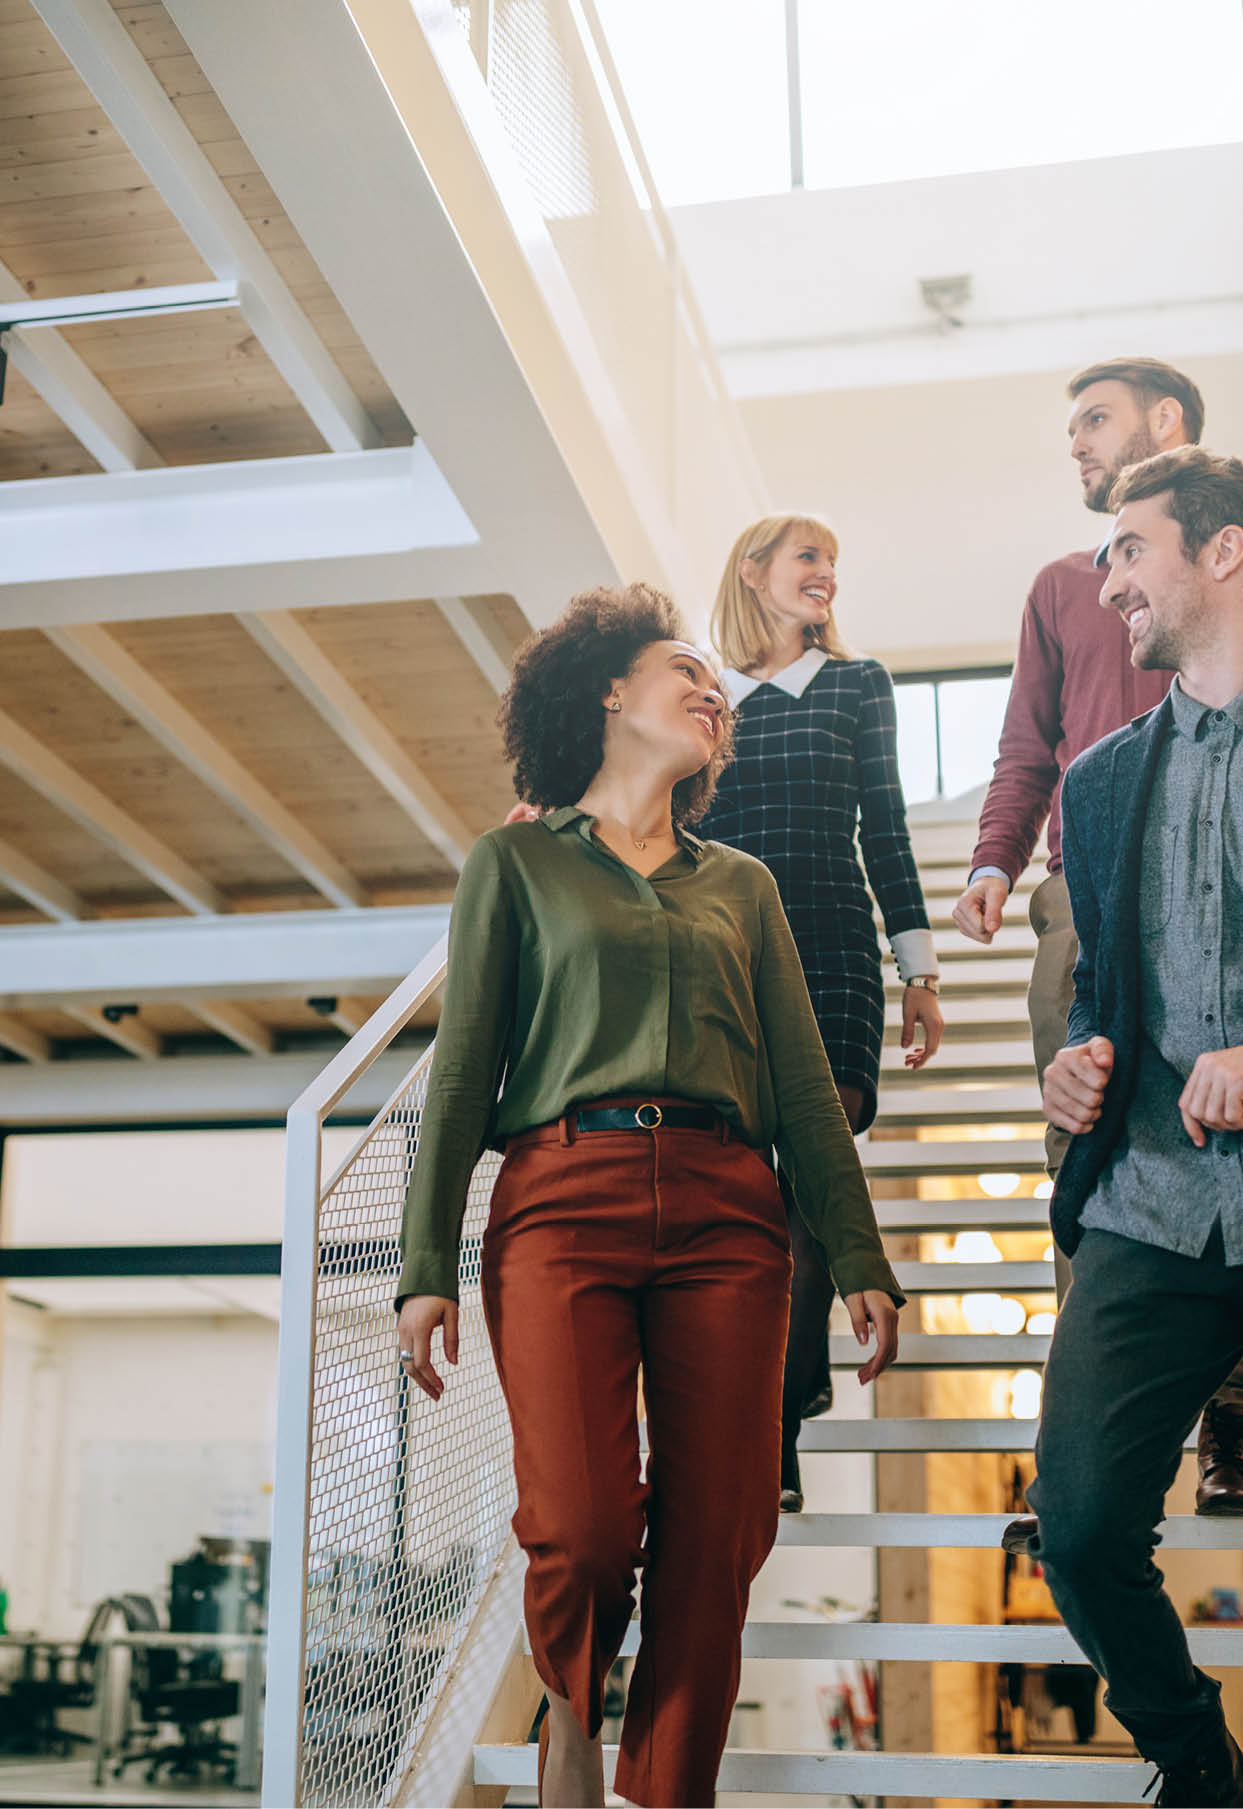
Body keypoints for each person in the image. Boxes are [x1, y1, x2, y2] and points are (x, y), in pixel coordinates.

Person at [395, 584, 902, 1809]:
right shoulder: (514, 860)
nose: (711, 692)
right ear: (609, 692)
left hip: (732, 1215)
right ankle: (571, 1716)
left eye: (715, 687)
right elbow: (462, 1072)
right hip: (561, 1203)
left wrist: (861, 1252)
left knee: (719, 1536)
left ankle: (665, 1790)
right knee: (579, 1528)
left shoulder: (743, 885)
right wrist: (421, 1269)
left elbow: (799, 1083)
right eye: (686, 668)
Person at [952, 357, 1243, 1527]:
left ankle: (1229, 1429)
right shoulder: (1065, 588)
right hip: (1095, 892)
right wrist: (992, 856)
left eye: (1094, 422)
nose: (1074, 443)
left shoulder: (1210, 552)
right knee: (1096, 1150)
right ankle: (1082, 1440)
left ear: (1163, 424)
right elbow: (1027, 742)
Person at [1028, 447, 1243, 1807]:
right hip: (1149, 1205)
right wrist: (1072, 1061)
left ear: (1219, 553)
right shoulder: (1097, 781)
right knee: (1081, 1521)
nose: (1105, 577)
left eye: (1127, 547)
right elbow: (1099, 993)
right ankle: (1198, 1765)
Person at [698, 513, 941, 1513]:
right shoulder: (703, 698)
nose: (825, 575)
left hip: (836, 954)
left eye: (832, 562)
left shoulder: (856, 685)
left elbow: (883, 826)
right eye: (807, 558)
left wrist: (917, 969)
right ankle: (770, 1414)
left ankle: (773, 1434)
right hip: (725, 961)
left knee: (803, 1196)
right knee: (749, 1203)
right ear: (752, 573)